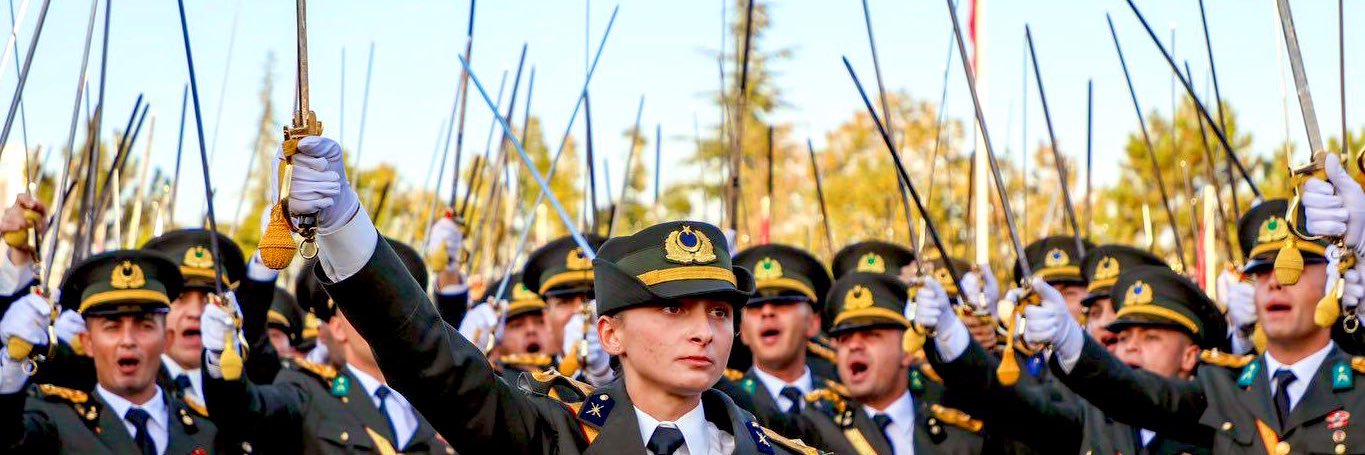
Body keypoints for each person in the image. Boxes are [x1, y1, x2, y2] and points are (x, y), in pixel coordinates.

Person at [1026, 192, 1365, 453]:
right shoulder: (1222, 388)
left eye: (1294, 269)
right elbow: (1135, 392)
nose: (1274, 283)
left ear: (1334, 280)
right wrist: (1071, 341)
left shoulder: (1358, 385)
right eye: (1261, 272)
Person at [201, 237, 455, 454]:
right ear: (337, 328)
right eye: (371, 306)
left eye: (401, 307)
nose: (390, 318)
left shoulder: (434, 398)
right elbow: (241, 412)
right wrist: (219, 355)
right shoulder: (308, 392)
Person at [0, 250, 227, 453]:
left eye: (144, 325)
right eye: (112, 327)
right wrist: (11, 369)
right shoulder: (55, 420)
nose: (127, 341)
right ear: (87, 342)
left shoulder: (208, 430)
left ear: (166, 339)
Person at [781, 271, 984, 454]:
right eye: (844, 338)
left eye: (871, 335)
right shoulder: (814, 431)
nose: (854, 346)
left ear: (907, 350)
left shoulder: (958, 436)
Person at [719, 244, 835, 424]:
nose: (767, 312)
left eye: (783, 302)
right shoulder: (723, 404)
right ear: (743, 331)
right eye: (755, 305)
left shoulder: (847, 400)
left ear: (813, 323)